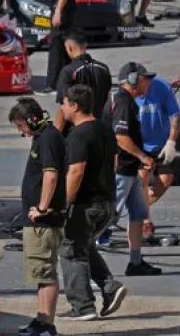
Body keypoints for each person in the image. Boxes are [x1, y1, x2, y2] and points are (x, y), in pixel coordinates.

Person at [59, 85, 128, 320]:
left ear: (74, 106)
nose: (62, 108)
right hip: (107, 201)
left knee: (71, 251)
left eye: (64, 103)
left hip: (85, 204)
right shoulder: (104, 128)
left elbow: (76, 171)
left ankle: (83, 306)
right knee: (85, 246)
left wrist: (64, 204)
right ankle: (110, 288)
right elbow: (115, 161)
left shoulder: (78, 135)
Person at [9, 98, 66, 336]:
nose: (20, 131)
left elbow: (51, 175)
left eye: (21, 125)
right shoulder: (43, 137)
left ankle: (47, 324)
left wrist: (42, 208)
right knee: (41, 274)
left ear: (32, 120)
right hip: (38, 221)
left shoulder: (48, 139)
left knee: (45, 273)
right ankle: (41, 320)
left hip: (43, 222)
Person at [101, 63, 163, 276]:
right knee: (108, 216)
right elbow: (121, 137)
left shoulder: (125, 100)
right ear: (133, 79)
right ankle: (80, 256)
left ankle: (135, 262)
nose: (149, 83)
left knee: (138, 213)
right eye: (145, 79)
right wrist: (142, 156)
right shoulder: (123, 102)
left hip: (130, 169)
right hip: (121, 169)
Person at [135, 72, 180, 240]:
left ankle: (137, 206)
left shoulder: (162, 87)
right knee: (142, 178)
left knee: (166, 180)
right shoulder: (131, 94)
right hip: (140, 144)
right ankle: (146, 220)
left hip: (160, 143)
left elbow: (175, 115)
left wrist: (171, 142)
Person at [53, 29, 112, 134]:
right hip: (100, 128)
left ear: (70, 47)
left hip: (77, 131)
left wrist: (56, 135)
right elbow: (108, 99)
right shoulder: (104, 68)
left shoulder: (68, 71)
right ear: (85, 45)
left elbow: (64, 107)